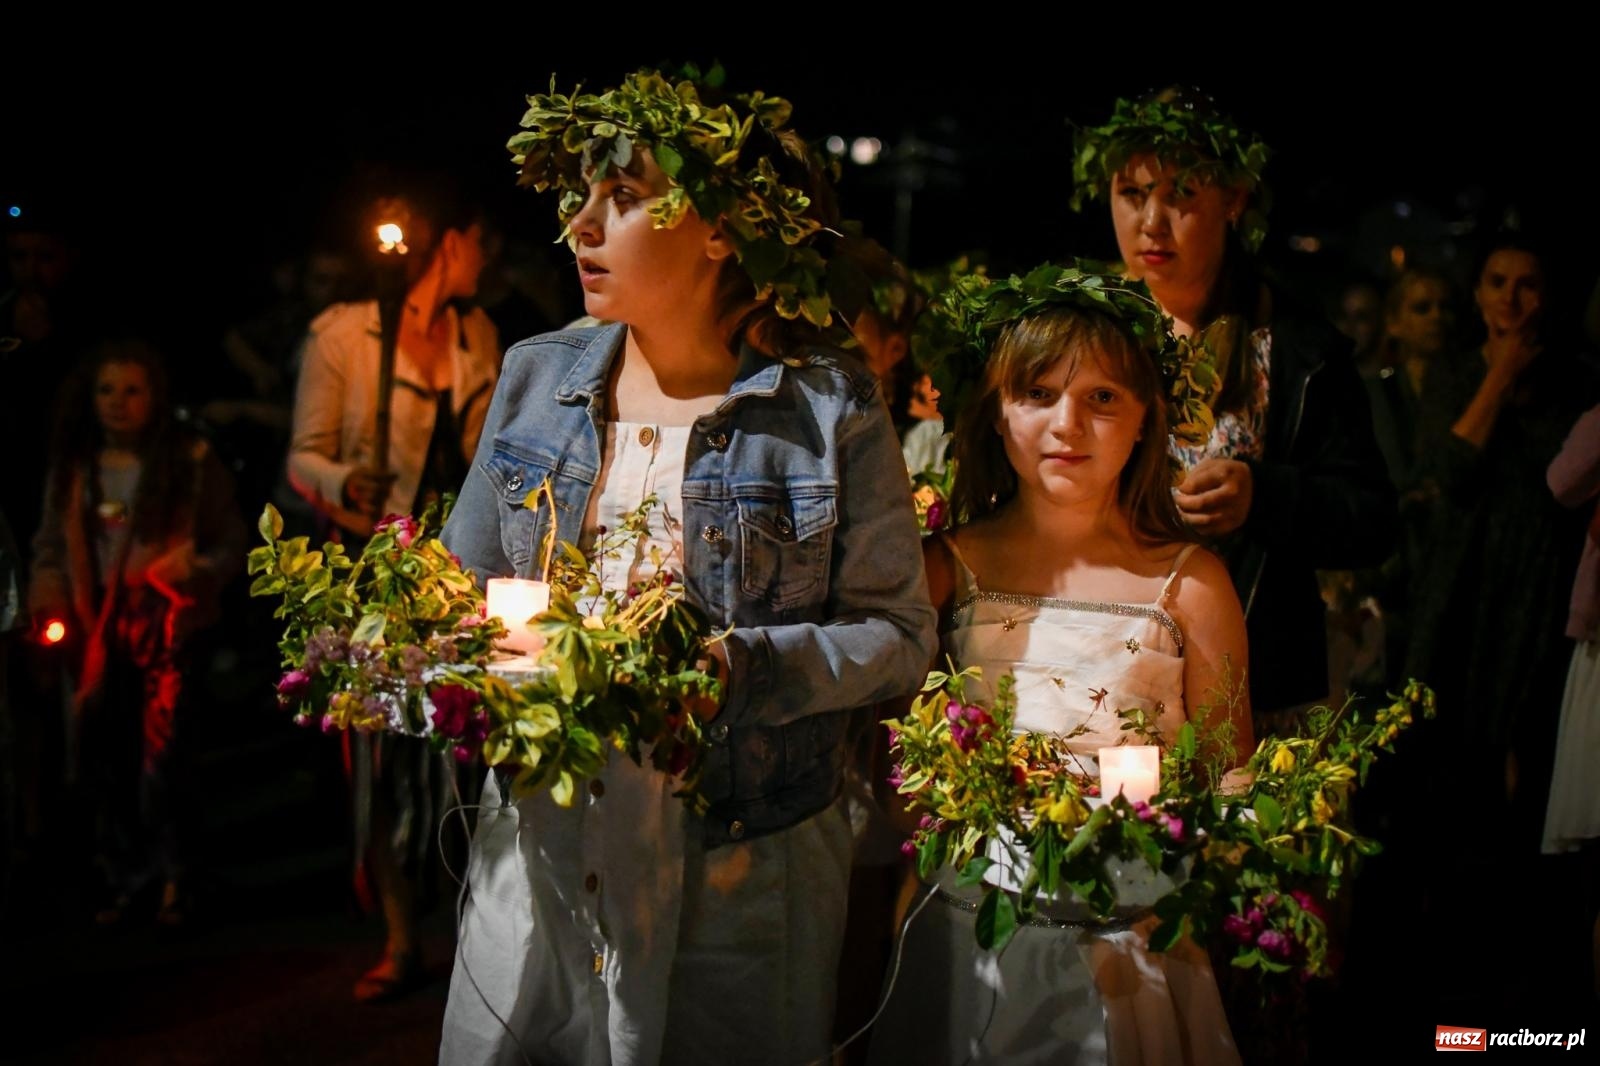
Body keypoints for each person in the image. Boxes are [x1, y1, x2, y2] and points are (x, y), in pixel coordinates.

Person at [436, 66, 935, 1065]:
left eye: (621, 197)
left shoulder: (825, 404)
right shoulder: (537, 375)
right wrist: (451, 664)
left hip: (743, 850)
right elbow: (457, 589)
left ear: (719, 229)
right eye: (580, 195)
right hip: (546, 833)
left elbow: (899, 637)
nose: (580, 223)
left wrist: (736, 670)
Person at [867, 264, 1251, 1064]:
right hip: (971, 937)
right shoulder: (943, 570)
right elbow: (890, 771)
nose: (1067, 425)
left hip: (1130, 948)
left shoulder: (1192, 585)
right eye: (1037, 394)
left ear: (1148, 417)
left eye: (1102, 398)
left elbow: (1227, 775)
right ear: (997, 412)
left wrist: (1160, 841)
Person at [1073, 89, 1397, 725]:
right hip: (1099, 670)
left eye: (1181, 196)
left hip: (1256, 685)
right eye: (1133, 194)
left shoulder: (1301, 349)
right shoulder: (1078, 336)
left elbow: (1373, 521)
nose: (1152, 222)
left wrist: (1266, 496)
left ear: (1235, 200)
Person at [287, 172, 500, 1001]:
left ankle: (466, 932)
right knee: (378, 759)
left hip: (455, 577)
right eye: (483, 241)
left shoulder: (478, 335)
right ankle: (401, 934)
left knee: (455, 759)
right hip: (368, 571)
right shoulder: (341, 335)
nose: (490, 259)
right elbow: (302, 452)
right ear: (452, 241)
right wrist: (344, 482)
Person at [29, 338, 245, 927]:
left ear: (155, 397)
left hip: (168, 627)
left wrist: (190, 572)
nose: (118, 403)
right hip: (98, 629)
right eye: (106, 390)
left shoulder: (191, 462)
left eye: (132, 390)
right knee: (109, 755)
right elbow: (51, 547)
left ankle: (180, 875)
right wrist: (50, 601)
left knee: (165, 755)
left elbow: (232, 543)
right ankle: (129, 876)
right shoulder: (77, 472)